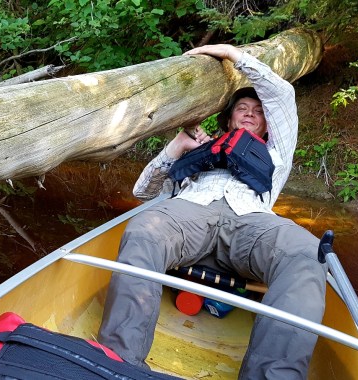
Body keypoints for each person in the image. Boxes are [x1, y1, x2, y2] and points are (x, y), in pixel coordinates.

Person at [97, 44, 328, 380]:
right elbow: (143, 192)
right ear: (229, 117)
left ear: (267, 125)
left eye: (258, 111)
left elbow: (281, 93)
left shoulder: (277, 153)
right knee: (144, 228)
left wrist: (231, 53)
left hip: (251, 225)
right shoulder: (201, 153)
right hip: (192, 216)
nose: (250, 113)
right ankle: (118, 362)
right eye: (242, 108)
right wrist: (175, 149)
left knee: (308, 253)